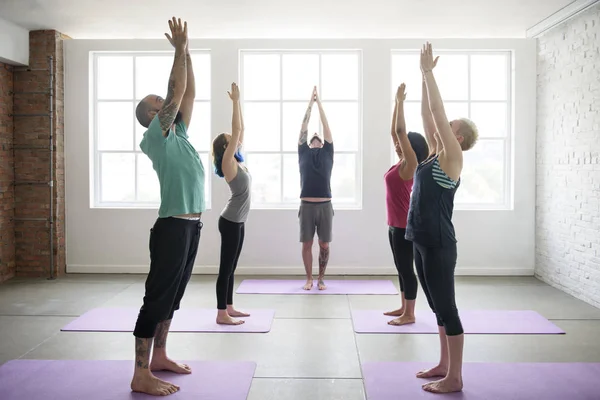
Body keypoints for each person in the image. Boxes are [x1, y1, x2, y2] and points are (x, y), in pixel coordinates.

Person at [131, 17, 205, 396]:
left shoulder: (179, 132)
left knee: (174, 297)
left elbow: (187, 95)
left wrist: (188, 52)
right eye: (157, 102)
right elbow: (176, 93)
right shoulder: (155, 136)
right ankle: (140, 373)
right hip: (172, 227)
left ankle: (159, 355)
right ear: (151, 116)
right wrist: (178, 50)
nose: (165, 102)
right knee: (156, 298)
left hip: (192, 226)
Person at [405, 42, 479, 394]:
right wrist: (422, 75)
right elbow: (427, 113)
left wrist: (430, 73)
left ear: (458, 137)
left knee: (447, 307)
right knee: (434, 305)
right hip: (420, 239)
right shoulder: (433, 154)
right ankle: (443, 364)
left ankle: (456, 377)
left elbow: (436, 109)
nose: (440, 125)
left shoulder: (452, 159)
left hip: (438, 243)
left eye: (448, 126)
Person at [383, 83, 429, 326]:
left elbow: (400, 131)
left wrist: (401, 103)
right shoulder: (400, 162)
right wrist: (395, 103)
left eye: (404, 143)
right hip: (394, 225)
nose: (398, 143)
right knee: (400, 268)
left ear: (413, 149)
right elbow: (395, 133)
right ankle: (403, 307)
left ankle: (410, 314)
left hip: (404, 227)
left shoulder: (410, 166)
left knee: (406, 269)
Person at [212, 82, 251, 325]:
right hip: (230, 221)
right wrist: (235, 101)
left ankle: (229, 307)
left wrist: (239, 103)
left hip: (238, 221)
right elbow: (236, 129)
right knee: (225, 268)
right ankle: (221, 314)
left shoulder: (236, 161)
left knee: (232, 266)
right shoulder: (228, 162)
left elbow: (241, 129)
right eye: (231, 139)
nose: (236, 139)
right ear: (226, 147)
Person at [298, 86, 334, 291]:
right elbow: (303, 127)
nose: (315, 138)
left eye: (318, 138)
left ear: (322, 143)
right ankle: (309, 279)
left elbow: (326, 127)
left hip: (325, 206)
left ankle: (321, 279)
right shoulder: (303, 152)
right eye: (312, 138)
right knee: (306, 244)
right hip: (307, 205)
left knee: (324, 244)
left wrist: (319, 103)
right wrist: (309, 105)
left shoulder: (328, 152)